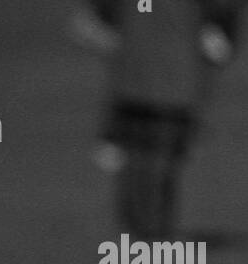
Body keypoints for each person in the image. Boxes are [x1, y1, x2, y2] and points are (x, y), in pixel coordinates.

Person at [95, 0, 240, 239]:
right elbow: (225, 11)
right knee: (161, 156)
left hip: (134, 74)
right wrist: (224, 36)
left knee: (137, 153)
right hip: (175, 77)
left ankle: (139, 226)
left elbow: (101, 15)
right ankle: (152, 228)